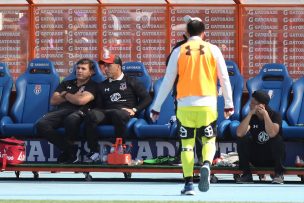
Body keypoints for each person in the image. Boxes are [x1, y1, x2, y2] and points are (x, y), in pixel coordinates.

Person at [150, 16, 234, 195]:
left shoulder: (178, 50)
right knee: (208, 140)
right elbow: (224, 79)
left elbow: (167, 81)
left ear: (187, 33)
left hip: (185, 105)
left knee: (187, 145)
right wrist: (229, 104)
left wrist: (156, 107)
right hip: (208, 104)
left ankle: (188, 185)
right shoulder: (213, 49)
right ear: (204, 34)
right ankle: (206, 164)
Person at [84, 54, 151, 163]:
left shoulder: (131, 81)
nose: (106, 69)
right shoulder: (102, 85)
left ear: (118, 67)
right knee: (91, 115)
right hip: (107, 113)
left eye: (109, 66)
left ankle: (120, 148)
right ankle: (94, 151)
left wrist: (135, 109)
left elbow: (147, 98)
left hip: (124, 112)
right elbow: (99, 106)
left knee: (117, 113)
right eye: (104, 66)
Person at [36, 58, 97, 164]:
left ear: (91, 72)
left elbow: (80, 101)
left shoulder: (94, 85)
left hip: (79, 112)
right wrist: (73, 96)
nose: (79, 71)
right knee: (41, 124)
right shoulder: (66, 83)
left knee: (71, 119)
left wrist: (65, 94)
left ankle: (68, 154)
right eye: (78, 68)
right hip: (61, 111)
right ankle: (70, 149)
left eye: (83, 68)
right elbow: (54, 101)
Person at [236, 90, 285, 184]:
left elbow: (272, 133)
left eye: (252, 103)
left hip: (271, 158)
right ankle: (246, 175)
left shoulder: (275, 115)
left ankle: (279, 174)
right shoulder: (251, 117)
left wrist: (265, 115)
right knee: (242, 139)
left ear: (261, 106)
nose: (249, 105)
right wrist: (250, 114)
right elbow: (239, 133)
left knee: (277, 139)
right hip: (256, 156)